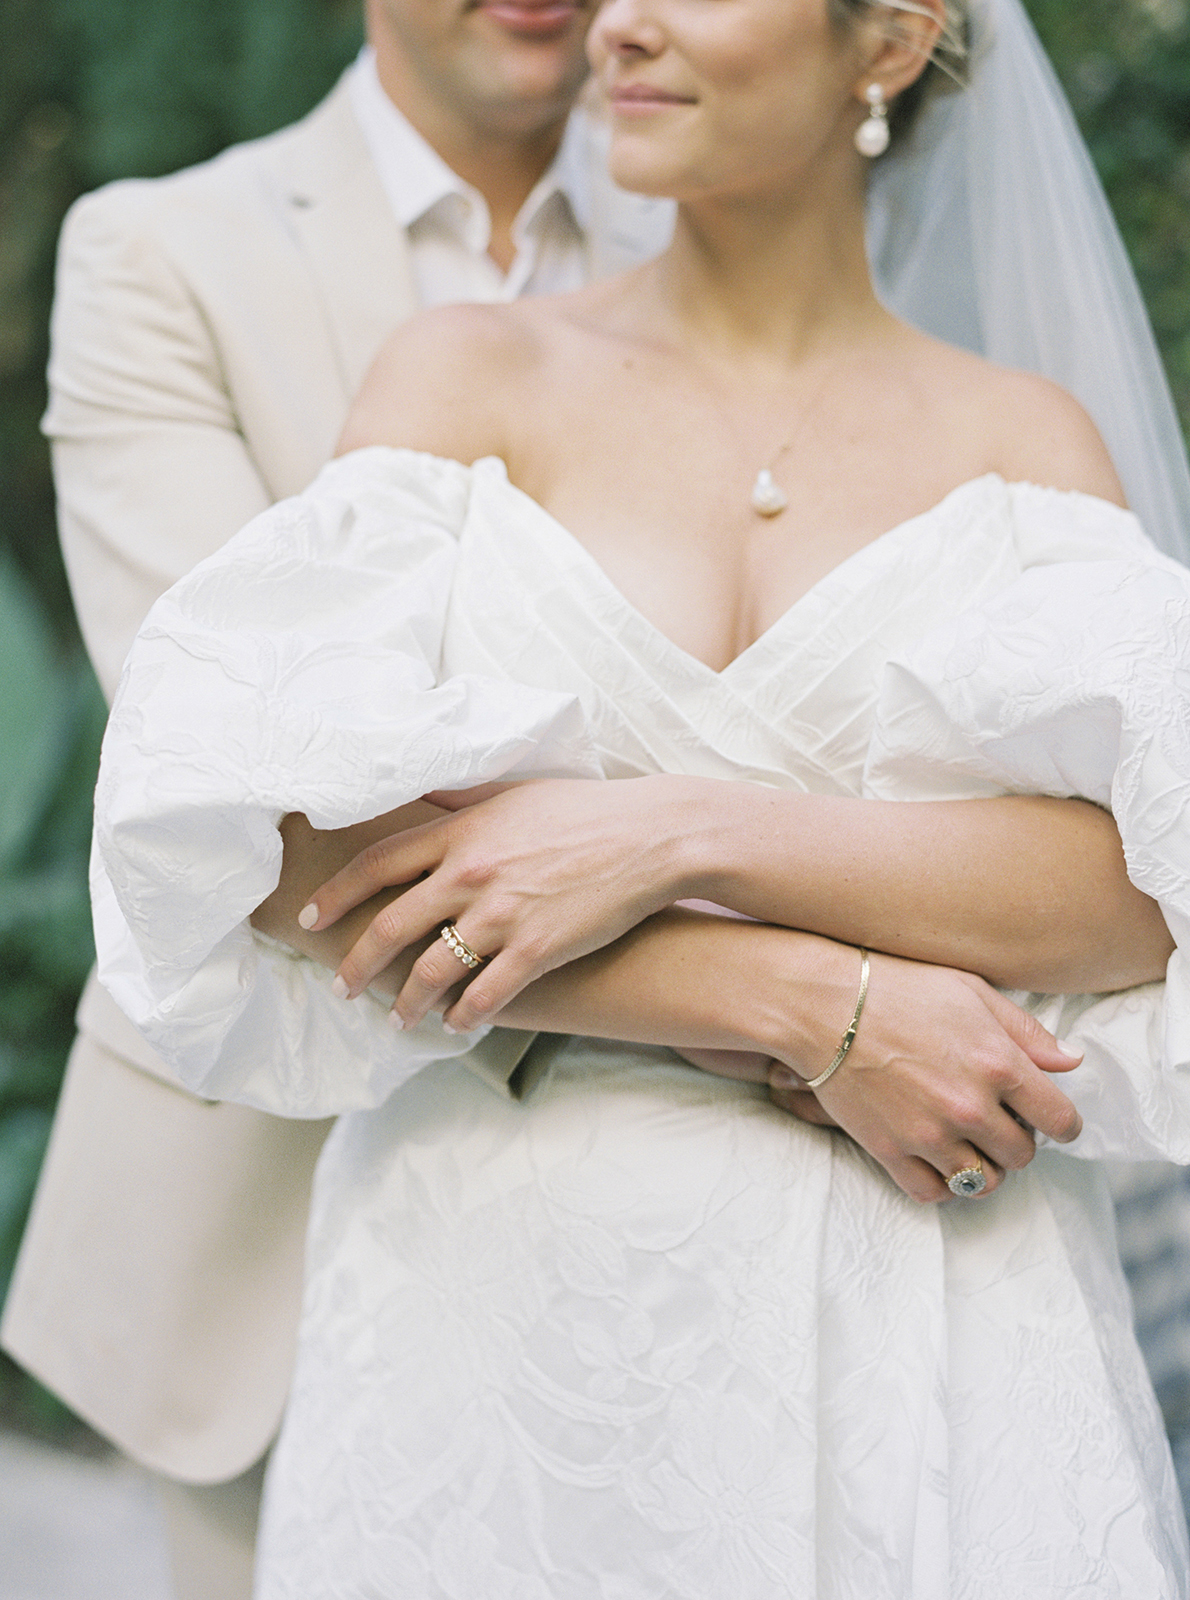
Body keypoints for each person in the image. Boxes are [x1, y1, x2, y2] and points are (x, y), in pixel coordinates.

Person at [90, 0, 1190, 1587]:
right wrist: (822, 1001)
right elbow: (273, 843)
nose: (623, 24)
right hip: (497, 1293)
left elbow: (1141, 895)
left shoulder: (1021, 442)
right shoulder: (469, 377)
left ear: (885, 40)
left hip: (929, 1285)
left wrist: (674, 827)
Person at [0, 2, 671, 1596]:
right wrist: (795, 1003)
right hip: (265, 1214)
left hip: (669, 1224)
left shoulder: (737, 238)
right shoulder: (162, 254)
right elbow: (238, 807)